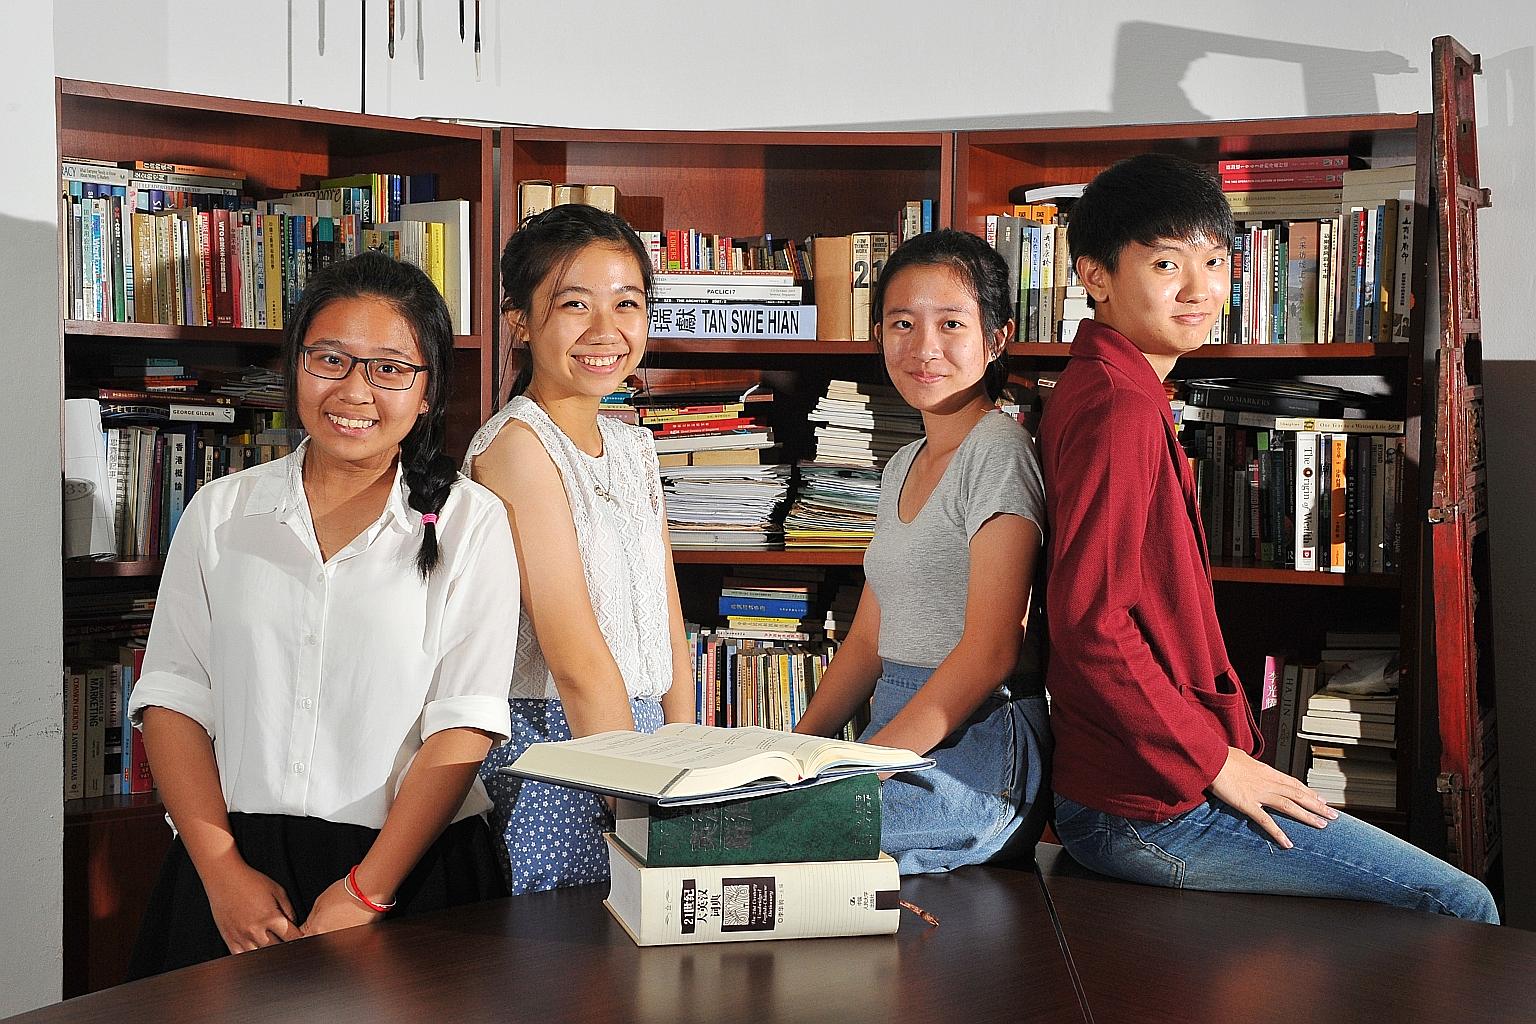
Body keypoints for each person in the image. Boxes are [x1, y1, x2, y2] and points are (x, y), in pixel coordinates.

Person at [1038, 152, 1498, 922]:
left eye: (1216, 262)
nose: (1199, 290)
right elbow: (1092, 624)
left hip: (1141, 784)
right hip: (1142, 807)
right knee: (1458, 901)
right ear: (1095, 274)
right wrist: (1217, 761)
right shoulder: (1118, 407)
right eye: (1165, 263)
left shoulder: (1111, 385)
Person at [126, 250, 521, 977]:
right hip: (238, 872)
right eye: (329, 359)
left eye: (390, 368)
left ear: (429, 390)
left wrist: (364, 894)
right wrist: (220, 873)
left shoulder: (472, 522)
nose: (355, 390)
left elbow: (463, 726)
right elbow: (173, 700)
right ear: (295, 366)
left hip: (408, 872)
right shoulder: (223, 512)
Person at [793, 229, 1052, 874]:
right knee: (747, 812)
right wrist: (792, 752)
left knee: (779, 840)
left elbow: (992, 651)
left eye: (951, 323)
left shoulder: (997, 451)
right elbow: (867, 642)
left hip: (980, 749)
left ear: (995, 339)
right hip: (902, 740)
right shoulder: (904, 462)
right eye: (902, 323)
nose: (924, 347)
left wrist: (869, 764)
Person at [466, 204, 695, 894]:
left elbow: (667, 621)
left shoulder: (633, 444)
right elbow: (575, 658)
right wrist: (636, 800)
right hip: (559, 753)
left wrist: (684, 754)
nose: (607, 331)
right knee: (568, 978)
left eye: (627, 303)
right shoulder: (517, 448)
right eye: (575, 305)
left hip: (642, 742)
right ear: (519, 320)